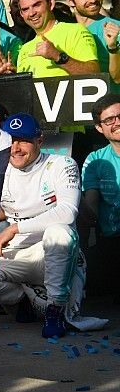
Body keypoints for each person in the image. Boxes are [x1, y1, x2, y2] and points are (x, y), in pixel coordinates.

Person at [0, 112, 80, 338]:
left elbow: (68, 212)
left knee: (60, 232)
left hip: (54, 253)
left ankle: (55, 310)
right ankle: (24, 302)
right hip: (18, 253)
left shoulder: (62, 164)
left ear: (39, 141)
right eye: (11, 140)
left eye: (23, 140)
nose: (16, 148)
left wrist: (14, 228)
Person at [16, 0, 99, 77]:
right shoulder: (24, 48)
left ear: (51, 4)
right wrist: (10, 77)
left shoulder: (75, 31)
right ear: (22, 14)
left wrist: (58, 56)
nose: (31, 13)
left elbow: (95, 74)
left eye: (36, 5)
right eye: (25, 9)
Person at [81, 94, 120, 293]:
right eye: (109, 120)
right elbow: (91, 207)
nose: (117, 123)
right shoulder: (95, 159)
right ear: (99, 128)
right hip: (112, 241)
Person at [63, 0, 120, 85]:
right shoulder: (67, 32)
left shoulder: (115, 28)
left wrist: (112, 48)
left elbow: (118, 78)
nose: (93, 0)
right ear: (70, 1)